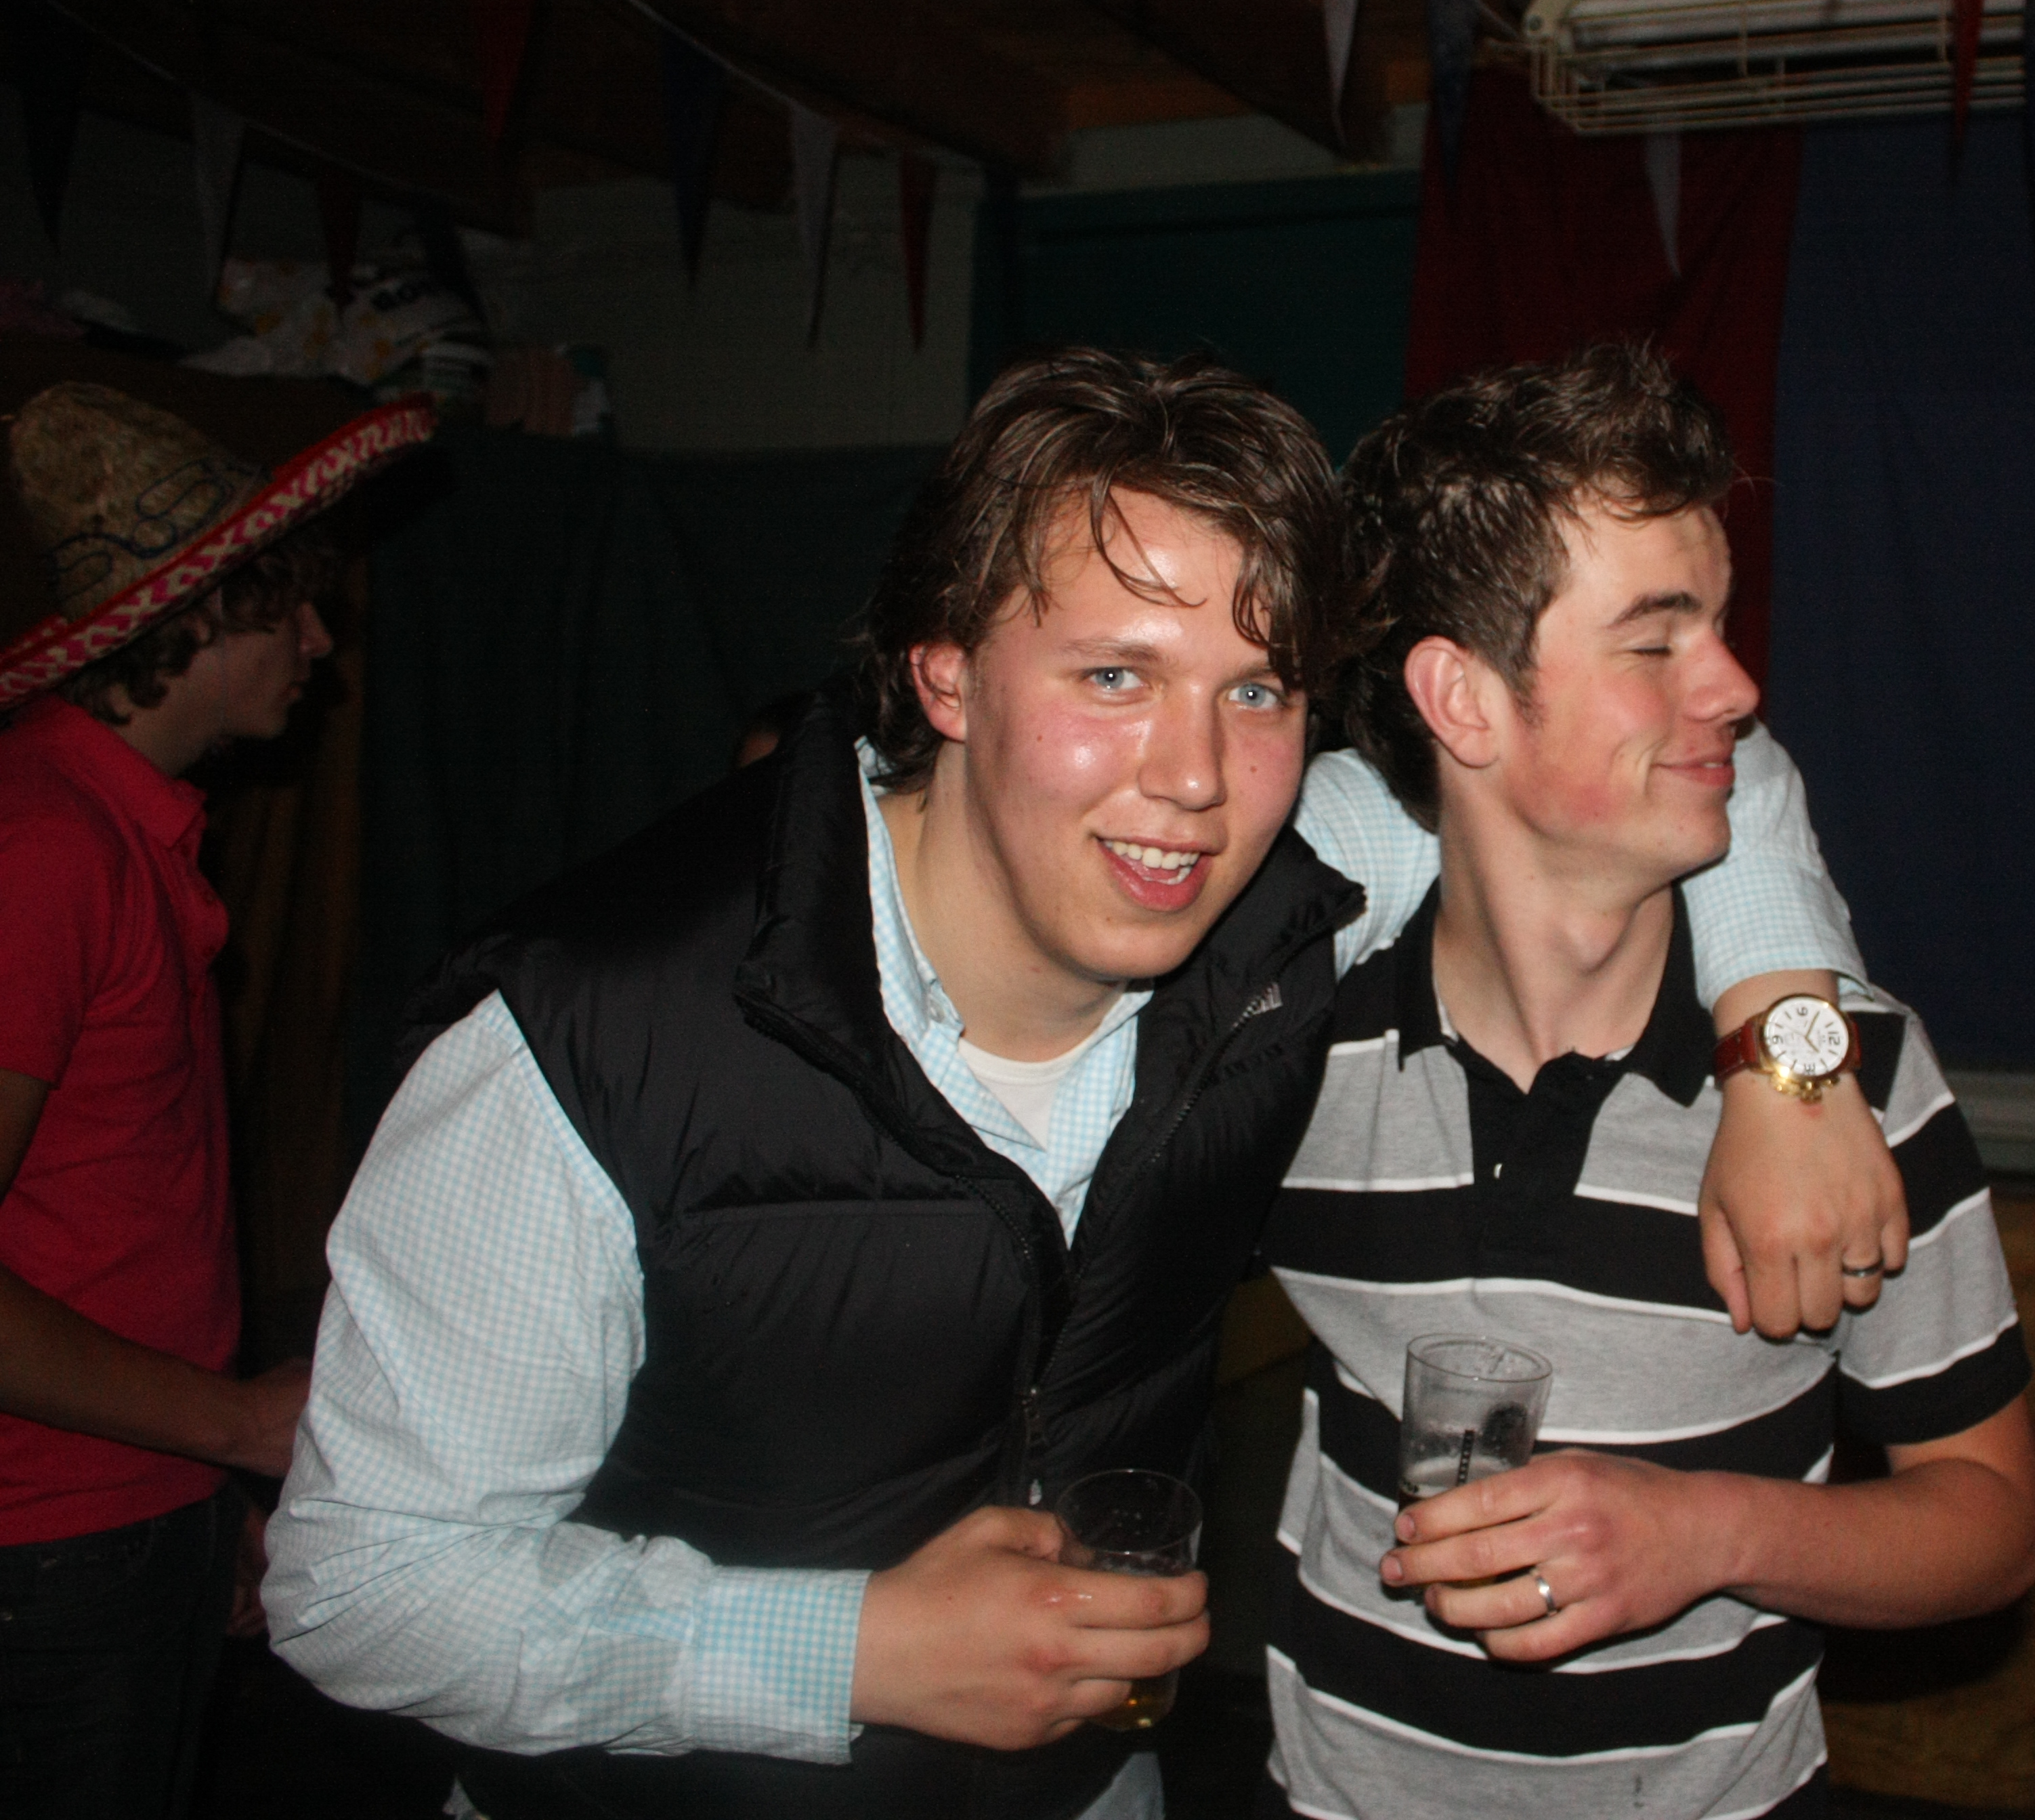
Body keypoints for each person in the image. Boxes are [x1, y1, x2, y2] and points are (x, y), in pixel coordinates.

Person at [263, 348, 1902, 1820]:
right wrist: (851, 1646)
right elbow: (359, 1583)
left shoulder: (1276, 895)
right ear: (946, 672)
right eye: (1114, 675)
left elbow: (1703, 753)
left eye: (1256, 688)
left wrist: (1792, 1067)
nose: (1192, 776)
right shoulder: (594, 1036)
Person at [1259, 343, 2035, 1819]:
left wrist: (1707, 1534)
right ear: (1463, 700)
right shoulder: (1295, 1046)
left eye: (1721, 625)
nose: (1739, 688)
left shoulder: (1840, 1071)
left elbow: (1992, 1528)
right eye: (1654, 639)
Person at [0, 380, 437, 1819]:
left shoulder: (115, 831)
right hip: (44, 1547)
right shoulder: (45, 850)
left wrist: (204, 1481)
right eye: (287, 604)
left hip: (128, 1510)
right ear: (190, 622)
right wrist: (240, 1426)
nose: (319, 639)